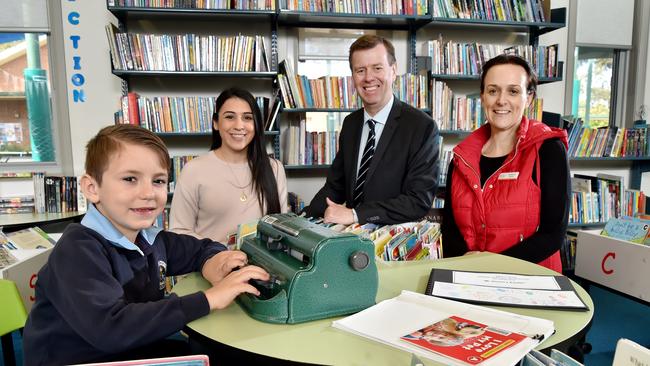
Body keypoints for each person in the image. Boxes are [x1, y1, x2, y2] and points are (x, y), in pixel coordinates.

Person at [22, 125, 269, 365]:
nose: (148, 193)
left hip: (133, 347)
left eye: (159, 181)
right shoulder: (77, 249)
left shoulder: (150, 237)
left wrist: (214, 261)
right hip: (81, 359)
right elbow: (110, 328)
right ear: (92, 188)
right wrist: (209, 299)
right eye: (130, 179)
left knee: (220, 353)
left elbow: (200, 249)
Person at [441, 54, 570, 272]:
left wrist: (490, 265)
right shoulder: (461, 157)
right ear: (482, 96)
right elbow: (451, 231)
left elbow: (553, 234)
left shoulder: (548, 150)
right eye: (493, 91)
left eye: (513, 91)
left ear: (529, 98)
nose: (501, 100)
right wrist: (466, 268)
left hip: (530, 282)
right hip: (470, 279)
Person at [302, 35, 440, 225]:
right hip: (351, 241)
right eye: (360, 70)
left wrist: (355, 215)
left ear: (393, 71)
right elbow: (334, 187)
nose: (368, 78)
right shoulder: (351, 124)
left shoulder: (421, 127)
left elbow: (417, 201)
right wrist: (301, 218)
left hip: (393, 243)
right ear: (353, 77)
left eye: (377, 68)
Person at [169, 87, 289, 243]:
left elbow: (282, 228)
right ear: (216, 123)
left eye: (247, 118)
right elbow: (179, 231)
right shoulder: (193, 170)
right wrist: (219, 253)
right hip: (211, 263)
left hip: (261, 265)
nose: (239, 126)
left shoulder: (275, 168)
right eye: (230, 117)